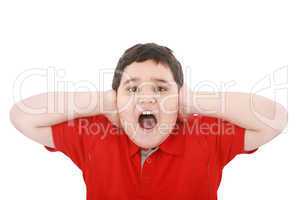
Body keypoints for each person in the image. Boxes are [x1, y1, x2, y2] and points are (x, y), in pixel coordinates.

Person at [10, 43, 288, 200]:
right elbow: (22, 116)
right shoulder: (95, 134)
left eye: (161, 88)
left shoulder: (205, 133)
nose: (147, 99)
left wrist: (194, 101)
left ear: (180, 98)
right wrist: (104, 101)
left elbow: (274, 118)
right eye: (132, 88)